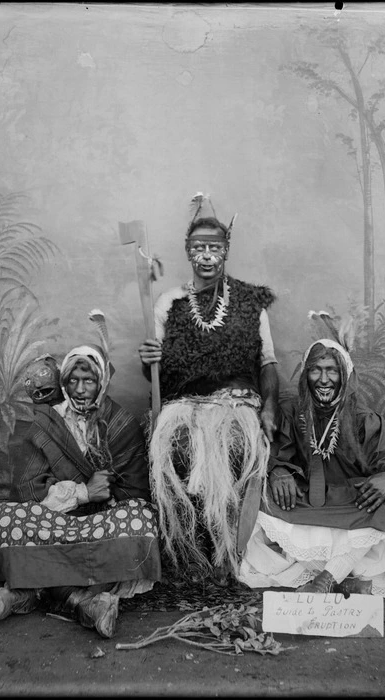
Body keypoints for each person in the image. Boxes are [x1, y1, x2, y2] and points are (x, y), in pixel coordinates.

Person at [0, 343, 162, 638]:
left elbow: (135, 492)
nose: (79, 388)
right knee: (3, 516)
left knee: (142, 520)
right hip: (56, 521)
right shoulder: (47, 422)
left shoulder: (121, 423)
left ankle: (30, 590)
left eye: (88, 380)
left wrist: (108, 499)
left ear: (100, 382)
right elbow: (29, 490)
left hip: (102, 523)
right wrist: (83, 493)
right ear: (64, 383)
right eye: (72, 381)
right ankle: (82, 601)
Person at [139, 194, 280, 582]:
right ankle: (187, 547)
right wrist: (149, 358)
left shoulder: (252, 303)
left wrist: (270, 407)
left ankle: (229, 547)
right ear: (188, 252)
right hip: (184, 404)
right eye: (198, 247)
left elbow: (267, 363)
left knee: (232, 444)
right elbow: (153, 375)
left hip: (237, 405)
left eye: (214, 248)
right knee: (175, 445)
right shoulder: (170, 303)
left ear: (226, 251)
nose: (206, 255)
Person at [238, 336, 385, 597]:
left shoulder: (363, 419)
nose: (324, 380)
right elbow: (273, 453)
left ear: (344, 375)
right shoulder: (291, 412)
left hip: (352, 504)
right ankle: (342, 578)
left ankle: (323, 580)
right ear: (306, 375)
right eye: (316, 370)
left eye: (332, 370)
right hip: (305, 503)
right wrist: (277, 471)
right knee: (262, 501)